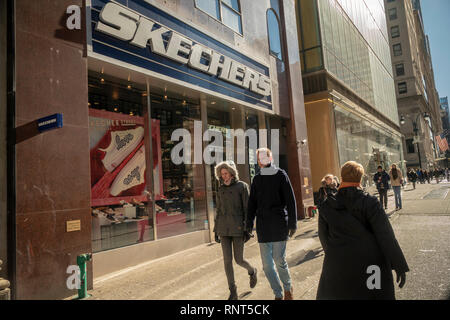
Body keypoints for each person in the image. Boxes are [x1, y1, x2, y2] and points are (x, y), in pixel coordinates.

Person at [317, 161, 409, 300]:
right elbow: (386, 235)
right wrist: (399, 264)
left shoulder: (327, 205)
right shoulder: (369, 202)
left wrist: (335, 254)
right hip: (372, 265)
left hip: (338, 266)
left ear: (341, 178)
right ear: (360, 179)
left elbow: (323, 237)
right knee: (374, 295)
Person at [247, 148, 297, 300]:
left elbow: (290, 200)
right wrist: (248, 223)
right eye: (259, 157)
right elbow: (252, 204)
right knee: (267, 266)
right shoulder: (257, 179)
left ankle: (287, 288)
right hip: (263, 226)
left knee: (279, 260)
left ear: (270, 158)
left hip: (279, 223)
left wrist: (293, 223)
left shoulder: (281, 175)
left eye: (264, 156)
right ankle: (278, 293)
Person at [214, 160, 257, 300]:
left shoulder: (242, 186)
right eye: (222, 174)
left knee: (239, 260)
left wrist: (248, 229)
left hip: (238, 228)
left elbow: (247, 209)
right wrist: (216, 229)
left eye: (226, 173)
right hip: (223, 229)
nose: (224, 176)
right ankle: (233, 291)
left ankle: (252, 271)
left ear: (232, 173)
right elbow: (219, 210)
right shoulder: (220, 189)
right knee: (227, 261)